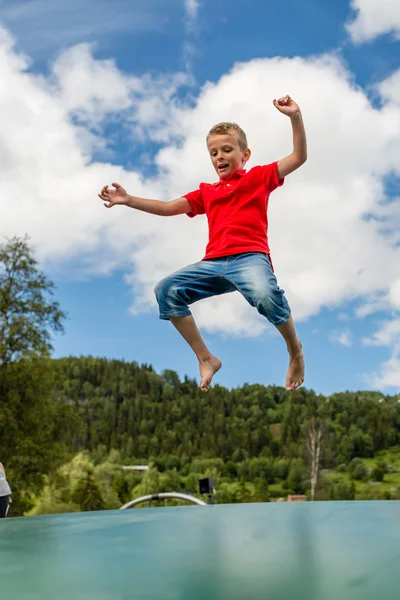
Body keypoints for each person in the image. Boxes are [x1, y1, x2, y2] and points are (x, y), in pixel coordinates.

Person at [99, 95, 307, 393]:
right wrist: (128, 200)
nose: (219, 156)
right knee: (166, 290)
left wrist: (294, 117)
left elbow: (298, 157)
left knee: (264, 293)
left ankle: (294, 350)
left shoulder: (259, 177)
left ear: (244, 154)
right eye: (213, 152)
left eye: (226, 150)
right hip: (213, 264)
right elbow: (169, 207)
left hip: (249, 258)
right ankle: (206, 358)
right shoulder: (206, 192)